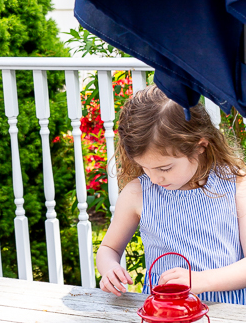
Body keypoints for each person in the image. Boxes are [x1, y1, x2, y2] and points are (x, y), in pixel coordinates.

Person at [96, 86, 246, 303]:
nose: (155, 179)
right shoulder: (137, 193)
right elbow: (109, 248)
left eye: (164, 168)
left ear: (199, 146)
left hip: (227, 314)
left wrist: (201, 280)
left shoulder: (236, 184)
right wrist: (110, 268)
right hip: (164, 314)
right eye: (145, 167)